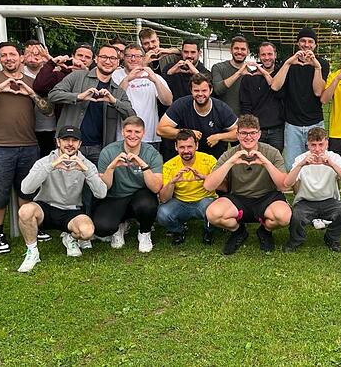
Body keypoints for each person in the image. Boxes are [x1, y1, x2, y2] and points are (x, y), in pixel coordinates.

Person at [0, 42, 53, 254]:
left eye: (12, 54)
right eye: (3, 55)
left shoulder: (32, 81)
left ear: (21, 57)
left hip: (28, 145)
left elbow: (48, 110)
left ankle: (31, 226)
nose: (8, 58)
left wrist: (31, 93)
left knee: (27, 189)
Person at [16, 126, 107, 272]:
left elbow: (101, 193)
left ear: (80, 144)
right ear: (58, 142)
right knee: (25, 211)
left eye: (74, 140)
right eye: (65, 139)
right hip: (46, 207)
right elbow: (26, 189)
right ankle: (32, 252)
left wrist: (85, 171)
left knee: (87, 232)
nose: (70, 144)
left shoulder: (86, 164)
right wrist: (51, 166)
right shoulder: (45, 161)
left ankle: (69, 237)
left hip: (71, 211)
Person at [203, 114, 291, 255]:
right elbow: (208, 186)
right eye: (244, 133)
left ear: (259, 134)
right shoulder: (230, 154)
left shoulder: (271, 152)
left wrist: (265, 162)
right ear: (237, 135)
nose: (248, 137)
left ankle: (265, 231)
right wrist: (231, 162)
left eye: (252, 133)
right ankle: (238, 231)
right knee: (213, 214)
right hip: (238, 198)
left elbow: (283, 186)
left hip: (266, 197)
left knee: (283, 216)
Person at [48, 44, 135, 166]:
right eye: (104, 57)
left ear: (118, 62)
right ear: (96, 59)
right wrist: (78, 97)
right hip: (69, 145)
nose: (108, 61)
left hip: (99, 149)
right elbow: (53, 95)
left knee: (96, 184)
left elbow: (131, 117)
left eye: (112, 58)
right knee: (66, 183)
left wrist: (113, 101)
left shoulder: (117, 91)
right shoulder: (77, 76)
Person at [95, 116, 163, 252]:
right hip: (115, 196)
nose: (133, 136)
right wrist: (112, 167)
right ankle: (120, 225)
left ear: (143, 133)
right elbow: (104, 187)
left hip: (140, 196)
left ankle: (144, 232)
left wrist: (143, 165)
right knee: (102, 227)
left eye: (137, 132)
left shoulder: (152, 153)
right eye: (129, 131)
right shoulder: (108, 151)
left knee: (147, 205)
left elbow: (156, 188)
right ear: (122, 132)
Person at [282, 128, 341, 252]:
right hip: (305, 201)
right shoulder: (301, 159)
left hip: (329, 200)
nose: (317, 149)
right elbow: (287, 183)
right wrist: (301, 165)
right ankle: (296, 240)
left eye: (321, 144)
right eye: (313, 145)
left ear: (327, 143)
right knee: (296, 217)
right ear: (307, 144)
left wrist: (332, 165)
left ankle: (332, 238)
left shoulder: (334, 158)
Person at [270, 27, 330, 170]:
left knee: (318, 164)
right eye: (303, 41)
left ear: (315, 45)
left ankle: (316, 192)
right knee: (293, 165)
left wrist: (316, 67)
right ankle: (299, 193)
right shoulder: (288, 63)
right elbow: (275, 87)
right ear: (298, 44)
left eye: (310, 41)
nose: (306, 44)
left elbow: (318, 92)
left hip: (315, 121)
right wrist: (288, 63)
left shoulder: (322, 64)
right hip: (292, 124)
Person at [156, 129, 218, 245]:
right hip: (180, 202)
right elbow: (164, 199)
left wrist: (204, 177)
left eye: (189, 147)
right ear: (176, 147)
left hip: (204, 200)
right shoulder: (169, 165)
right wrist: (172, 182)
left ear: (197, 145)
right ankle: (178, 230)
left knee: (215, 210)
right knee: (162, 213)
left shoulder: (209, 160)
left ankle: (208, 230)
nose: (186, 151)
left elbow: (222, 185)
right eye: (182, 147)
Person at [157, 73, 238, 159]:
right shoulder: (181, 105)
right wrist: (187, 133)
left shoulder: (221, 108)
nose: (200, 94)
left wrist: (219, 137)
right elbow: (160, 130)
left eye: (204, 90)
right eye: (196, 91)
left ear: (210, 90)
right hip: (185, 158)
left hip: (214, 159)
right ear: (191, 90)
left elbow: (238, 132)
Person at [112, 44, 173, 150]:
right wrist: (127, 79)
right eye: (129, 56)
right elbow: (113, 99)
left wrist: (155, 80)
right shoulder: (116, 75)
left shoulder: (153, 76)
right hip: (123, 137)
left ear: (144, 58)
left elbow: (168, 101)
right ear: (123, 57)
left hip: (149, 137)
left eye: (137, 56)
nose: (133, 59)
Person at [240, 41, 284, 151]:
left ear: (275, 55)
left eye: (270, 54)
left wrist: (265, 74)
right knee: (255, 163)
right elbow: (245, 105)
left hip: (277, 129)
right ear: (259, 56)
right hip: (257, 130)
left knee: (274, 164)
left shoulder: (282, 75)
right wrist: (249, 129)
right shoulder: (250, 77)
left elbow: (281, 94)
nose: (267, 57)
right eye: (263, 55)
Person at [22, 40, 58, 157]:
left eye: (38, 54)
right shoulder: (17, 73)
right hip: (25, 131)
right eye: (29, 53)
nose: (34, 57)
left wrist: (49, 59)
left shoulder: (53, 71)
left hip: (49, 128)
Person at [211, 35, 250, 115]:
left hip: (242, 120)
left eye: (243, 49)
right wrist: (238, 73)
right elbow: (218, 90)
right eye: (236, 48)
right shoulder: (218, 67)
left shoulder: (250, 73)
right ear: (230, 50)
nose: (239, 52)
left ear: (247, 52)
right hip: (221, 117)